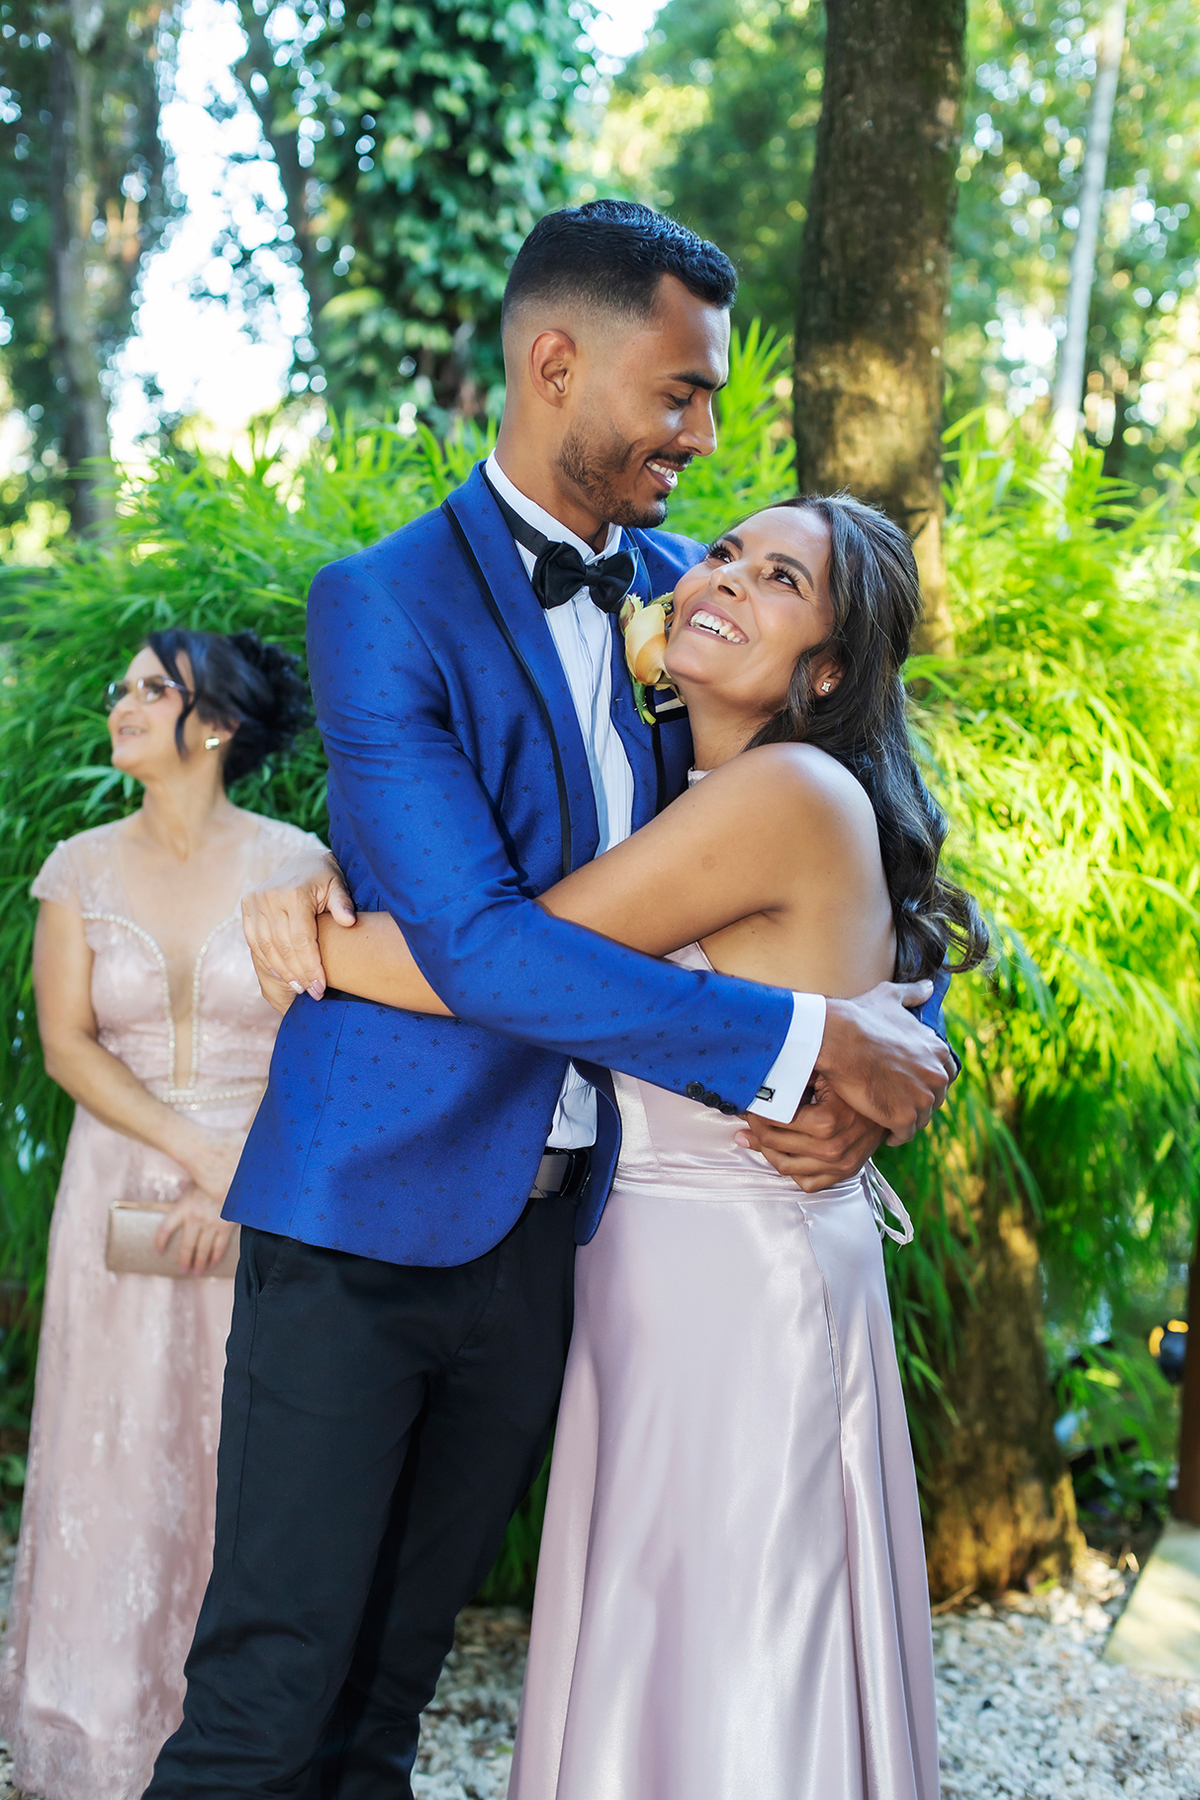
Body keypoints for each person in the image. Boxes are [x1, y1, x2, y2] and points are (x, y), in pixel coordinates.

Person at [146, 202, 953, 1800]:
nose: (703, 438)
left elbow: (835, 830)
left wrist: (892, 1028)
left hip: (563, 1243)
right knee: (266, 1700)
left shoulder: (696, 604)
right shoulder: (381, 601)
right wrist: (806, 1050)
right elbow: (492, 945)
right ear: (559, 362)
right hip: (366, 1210)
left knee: (390, 1697)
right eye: (680, 393)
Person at [263, 494, 987, 1798]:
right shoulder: (699, 755)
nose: (719, 577)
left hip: (735, 1285)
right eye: (724, 552)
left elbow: (501, 958)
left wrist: (294, 927)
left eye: (781, 579)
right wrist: (317, 855)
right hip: (660, 1271)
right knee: (672, 1643)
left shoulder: (778, 791)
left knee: (728, 1656)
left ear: (826, 670)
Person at [0, 629, 323, 1800]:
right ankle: (94, 1742)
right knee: (118, 1443)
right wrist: (194, 1155)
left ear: (218, 724)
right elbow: (67, 1043)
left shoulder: (301, 865)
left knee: (253, 1453)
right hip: (122, 1181)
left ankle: (242, 1745)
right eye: (120, 686)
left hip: (273, 1188)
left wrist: (243, 1181)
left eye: (151, 688)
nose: (122, 702)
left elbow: (331, 1046)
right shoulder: (74, 868)